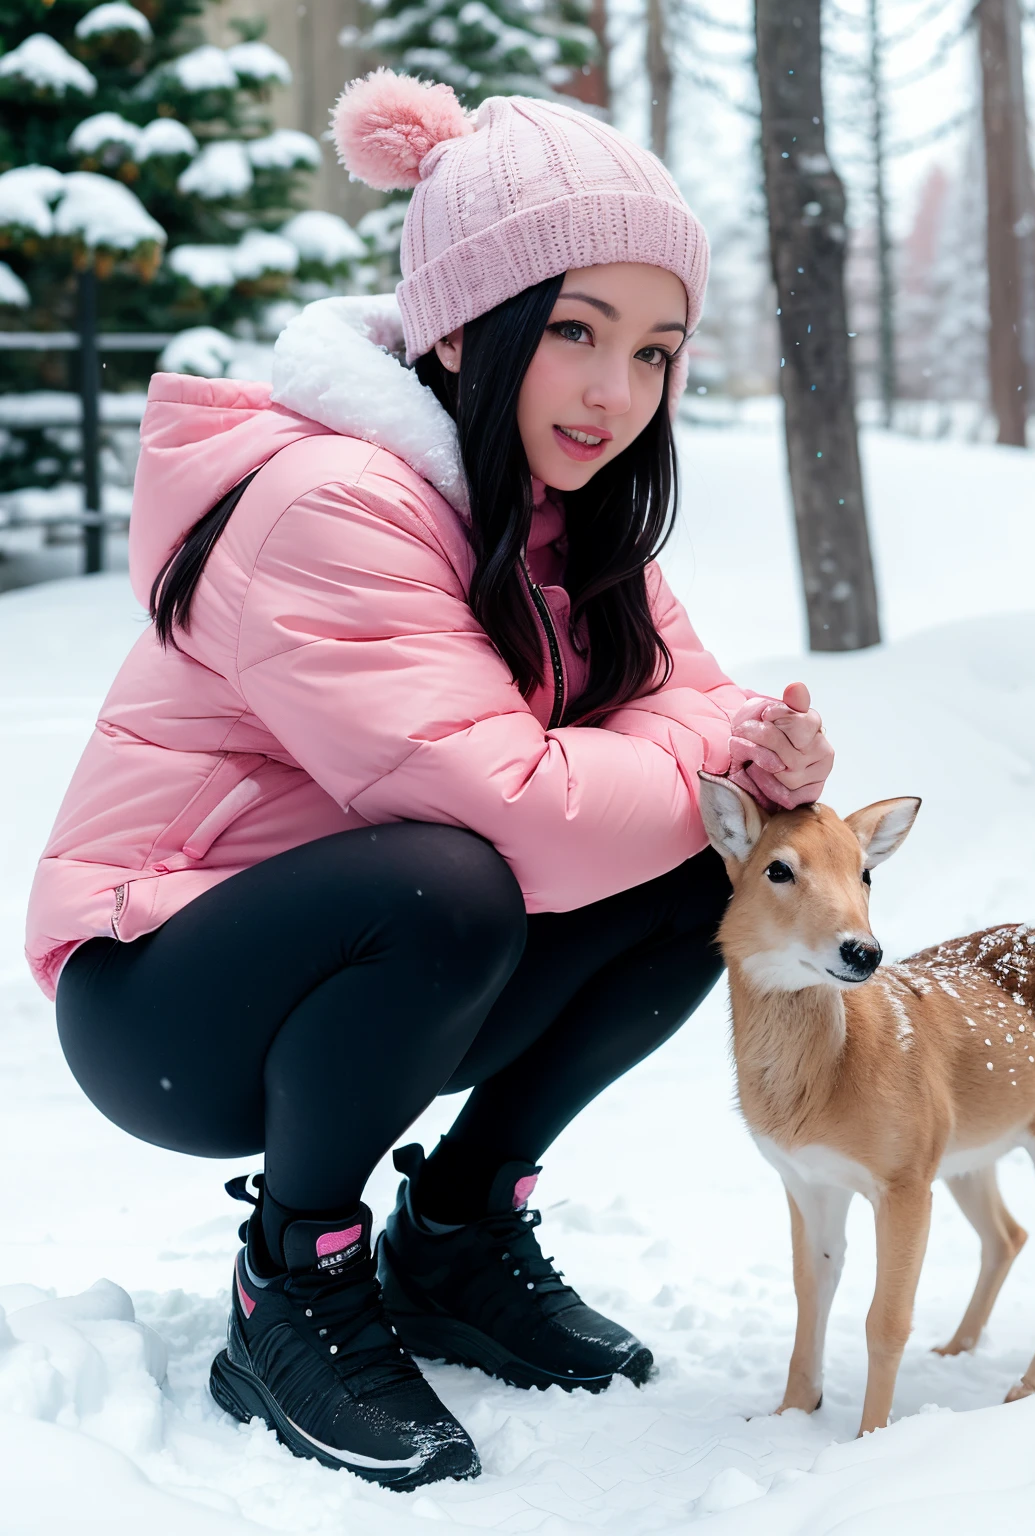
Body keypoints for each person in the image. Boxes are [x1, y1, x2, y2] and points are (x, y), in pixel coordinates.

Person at [26, 73, 835, 1490]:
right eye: (576, 331)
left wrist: (767, 758)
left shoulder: (559, 510)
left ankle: (453, 1237)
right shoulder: (328, 500)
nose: (614, 390)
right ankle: (294, 1277)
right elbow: (517, 811)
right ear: (462, 322)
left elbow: (698, 709)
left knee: (725, 856)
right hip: (165, 985)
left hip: (362, 972)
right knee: (450, 879)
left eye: (654, 352)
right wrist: (717, 748)